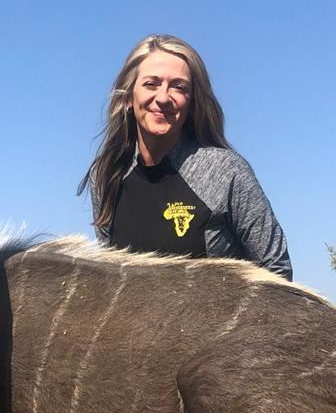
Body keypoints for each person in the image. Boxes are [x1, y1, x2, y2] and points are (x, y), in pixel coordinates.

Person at [79, 34, 293, 279]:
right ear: (128, 97)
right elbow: (112, 281)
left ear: (192, 103)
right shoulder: (107, 175)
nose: (163, 98)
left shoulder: (226, 171)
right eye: (151, 84)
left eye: (178, 87)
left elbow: (277, 270)